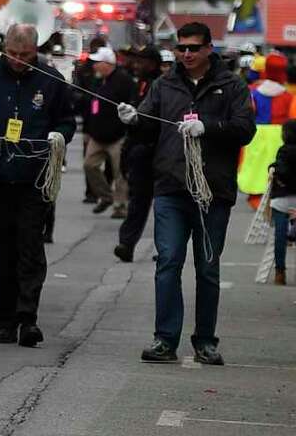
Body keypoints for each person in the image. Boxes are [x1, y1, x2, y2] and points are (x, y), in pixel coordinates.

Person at [119, 21, 256, 365]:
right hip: (171, 188)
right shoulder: (164, 84)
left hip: (213, 191)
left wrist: (208, 128)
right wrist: (133, 118)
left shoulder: (232, 85)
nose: (187, 54)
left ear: (209, 48)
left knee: (207, 268)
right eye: (182, 48)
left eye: (194, 48)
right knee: (168, 263)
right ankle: (165, 339)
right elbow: (148, 124)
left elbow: (245, 130)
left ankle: (206, 341)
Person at [0, 24, 75, 347]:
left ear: (36, 51)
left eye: (25, 55)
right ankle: (4, 318)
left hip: (34, 179)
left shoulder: (51, 79)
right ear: (5, 48)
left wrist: (59, 135)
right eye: (13, 54)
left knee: (30, 248)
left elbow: (67, 119)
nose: (19, 60)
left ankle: (27, 317)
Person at [115, 44, 163, 262]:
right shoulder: (139, 84)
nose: (137, 64)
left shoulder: (161, 86)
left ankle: (165, 247)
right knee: (138, 201)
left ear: (152, 63)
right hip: (139, 151)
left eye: (142, 61)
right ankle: (126, 243)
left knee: (163, 204)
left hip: (158, 151)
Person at [83, 46, 136, 218]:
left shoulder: (124, 81)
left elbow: (132, 105)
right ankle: (106, 196)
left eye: (98, 62)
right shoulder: (98, 81)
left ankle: (120, 206)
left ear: (107, 64)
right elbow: (91, 105)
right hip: (97, 135)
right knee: (89, 165)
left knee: (120, 172)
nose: (94, 66)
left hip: (118, 136)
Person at [269, 117, 295, 286]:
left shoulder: (284, 150)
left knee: (279, 234)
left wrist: (272, 169)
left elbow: (281, 169)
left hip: (282, 197)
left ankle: (280, 272)